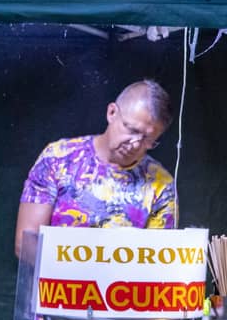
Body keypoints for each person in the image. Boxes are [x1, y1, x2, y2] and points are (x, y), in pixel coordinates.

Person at [14, 79, 176, 257]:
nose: (135, 144)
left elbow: (157, 261)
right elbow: (25, 243)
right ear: (112, 112)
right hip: (56, 275)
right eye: (132, 130)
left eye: (147, 139)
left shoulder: (162, 186)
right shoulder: (57, 158)